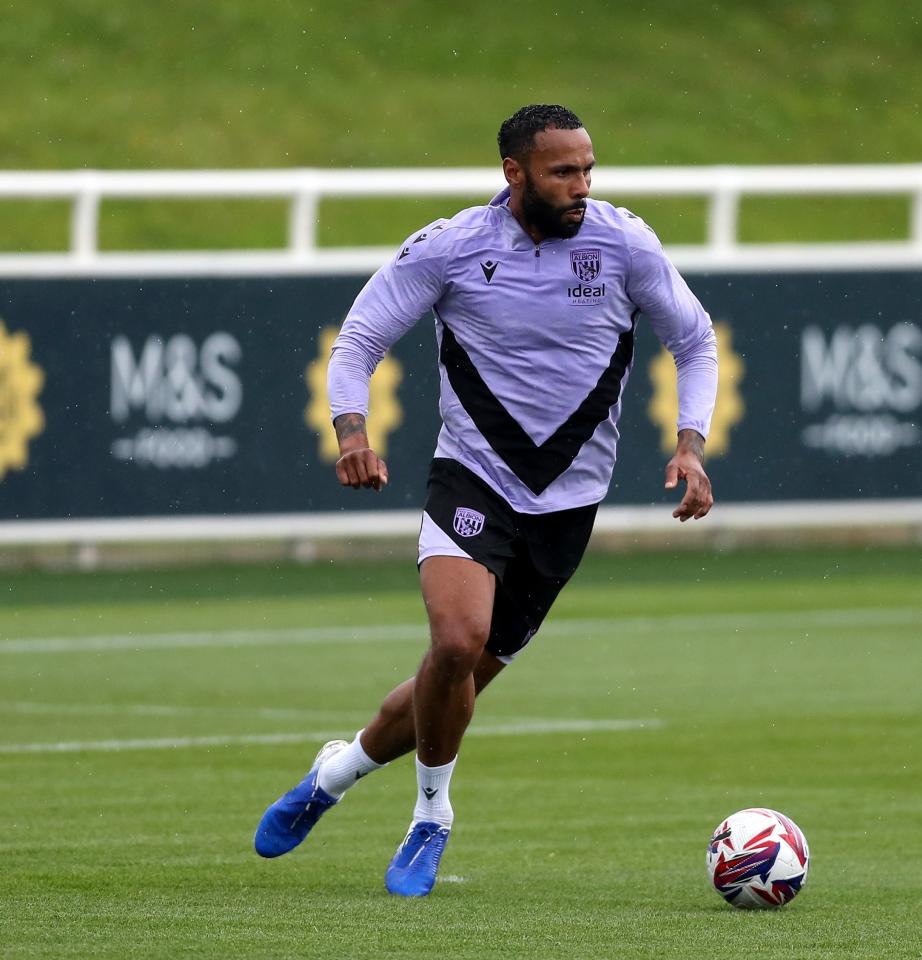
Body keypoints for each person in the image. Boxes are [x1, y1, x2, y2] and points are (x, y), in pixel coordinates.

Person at [253, 104, 717, 897]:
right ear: (515, 173)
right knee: (457, 642)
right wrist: (352, 431)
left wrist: (690, 443)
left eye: (588, 169)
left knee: (451, 683)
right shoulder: (453, 248)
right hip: (472, 477)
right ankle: (432, 817)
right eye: (563, 172)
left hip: (568, 504)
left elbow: (695, 339)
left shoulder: (624, 244)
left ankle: (334, 773)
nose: (582, 187)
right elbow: (360, 340)